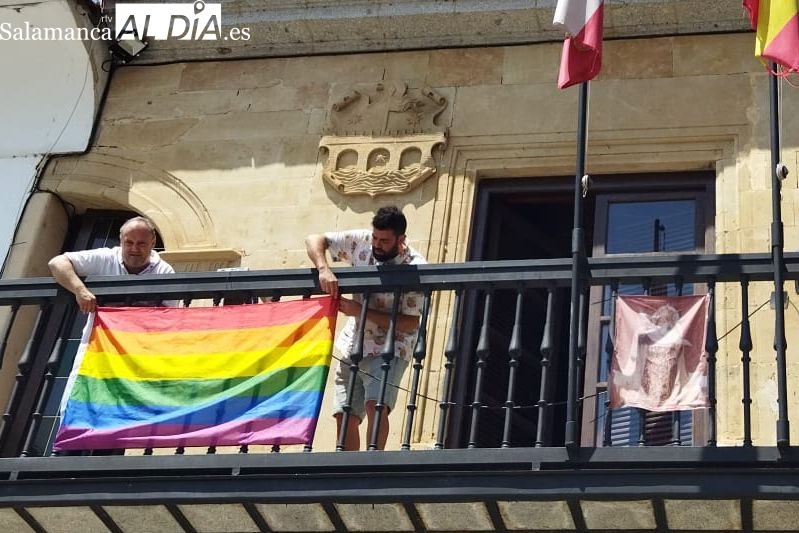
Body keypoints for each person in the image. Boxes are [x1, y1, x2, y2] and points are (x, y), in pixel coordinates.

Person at [305, 206, 426, 450]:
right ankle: (346, 470)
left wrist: (358, 311)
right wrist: (323, 268)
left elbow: (411, 322)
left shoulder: (415, 265)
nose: (377, 244)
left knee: (376, 406)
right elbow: (314, 239)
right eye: (375, 237)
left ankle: (372, 464)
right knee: (344, 411)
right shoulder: (361, 241)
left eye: (385, 240)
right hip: (355, 340)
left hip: (391, 345)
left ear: (401, 239)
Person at [48, 216, 176, 313]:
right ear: (120, 241)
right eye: (129, 243)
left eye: (141, 243)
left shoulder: (164, 270)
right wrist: (80, 291)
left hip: (143, 342)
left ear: (153, 244)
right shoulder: (105, 257)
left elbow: (166, 313)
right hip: (102, 342)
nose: (135, 249)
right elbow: (57, 263)